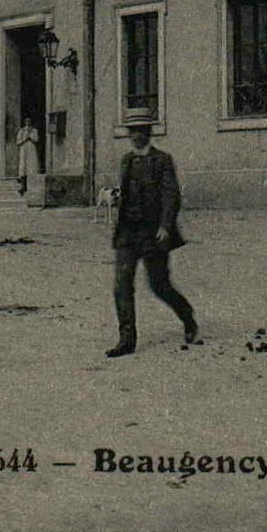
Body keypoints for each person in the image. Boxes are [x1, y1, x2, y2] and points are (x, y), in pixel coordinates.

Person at [106, 107, 198, 358]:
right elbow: (124, 193)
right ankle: (126, 340)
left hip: (152, 233)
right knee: (121, 285)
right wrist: (116, 199)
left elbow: (171, 196)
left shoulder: (162, 160)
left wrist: (166, 226)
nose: (137, 136)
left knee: (159, 285)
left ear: (149, 133)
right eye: (133, 131)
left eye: (141, 131)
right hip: (127, 232)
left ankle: (187, 315)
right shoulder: (126, 160)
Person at [15, 117, 40, 195]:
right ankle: (23, 186)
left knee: (32, 166)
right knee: (23, 167)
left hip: (31, 149)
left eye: (29, 121)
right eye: (26, 121)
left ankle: (32, 185)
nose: (28, 123)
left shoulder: (34, 130)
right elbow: (18, 142)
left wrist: (31, 137)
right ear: (25, 122)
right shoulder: (22, 131)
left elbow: (36, 139)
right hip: (24, 149)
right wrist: (24, 139)